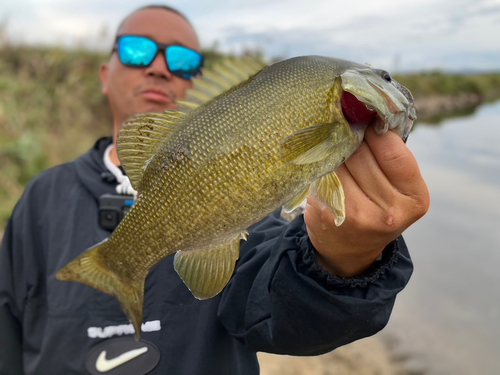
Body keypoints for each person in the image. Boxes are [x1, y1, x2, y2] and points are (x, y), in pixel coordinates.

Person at [0, 5, 429, 375]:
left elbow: (281, 307)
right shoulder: (42, 198)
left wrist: (345, 260)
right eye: (136, 50)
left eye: (183, 60)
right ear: (103, 74)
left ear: (199, 84)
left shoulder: (258, 212)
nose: (158, 67)